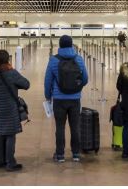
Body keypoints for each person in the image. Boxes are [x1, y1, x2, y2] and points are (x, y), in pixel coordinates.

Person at [44, 35, 89, 163]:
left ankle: (60, 155)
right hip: (75, 99)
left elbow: (48, 81)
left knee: (60, 127)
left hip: (59, 99)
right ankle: (76, 154)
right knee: (75, 127)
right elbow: (85, 79)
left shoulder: (53, 60)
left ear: (60, 45)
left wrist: (48, 95)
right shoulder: (79, 59)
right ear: (71, 45)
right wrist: (77, 88)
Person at [0, 49, 30, 171]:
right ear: (8, 60)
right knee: (10, 135)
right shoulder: (11, 73)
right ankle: (10, 163)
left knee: (0, 134)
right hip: (11, 108)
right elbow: (26, 84)